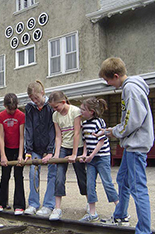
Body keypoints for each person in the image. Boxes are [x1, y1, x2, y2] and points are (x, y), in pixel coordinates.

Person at [99, 57, 154, 234]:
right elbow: (129, 119)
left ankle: (144, 230)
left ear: (115, 75)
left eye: (108, 80)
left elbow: (133, 120)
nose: (109, 84)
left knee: (138, 188)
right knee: (123, 180)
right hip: (132, 145)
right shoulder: (131, 87)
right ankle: (120, 215)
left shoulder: (130, 88)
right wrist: (112, 129)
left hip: (136, 146)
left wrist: (116, 131)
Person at [48, 91, 87, 221]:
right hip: (64, 147)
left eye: (56, 107)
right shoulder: (55, 115)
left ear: (63, 102)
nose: (54, 109)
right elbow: (58, 136)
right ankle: (57, 208)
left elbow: (77, 133)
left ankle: (89, 202)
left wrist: (75, 154)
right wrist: (56, 154)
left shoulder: (75, 111)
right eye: (53, 107)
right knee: (59, 176)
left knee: (81, 176)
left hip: (78, 146)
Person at [78, 97, 119, 222]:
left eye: (83, 109)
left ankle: (120, 210)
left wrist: (91, 155)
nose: (81, 111)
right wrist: (85, 154)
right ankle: (92, 212)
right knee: (90, 184)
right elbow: (85, 142)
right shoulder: (84, 125)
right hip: (91, 159)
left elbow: (101, 142)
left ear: (91, 111)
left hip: (102, 157)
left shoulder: (99, 122)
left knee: (107, 183)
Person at [24, 80, 56, 217]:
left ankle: (49, 205)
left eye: (36, 98)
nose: (35, 101)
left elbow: (52, 129)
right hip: (35, 148)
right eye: (32, 99)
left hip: (50, 148)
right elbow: (29, 129)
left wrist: (50, 151)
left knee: (52, 175)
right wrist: (28, 150)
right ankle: (33, 204)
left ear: (42, 93)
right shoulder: (29, 108)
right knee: (33, 174)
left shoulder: (51, 106)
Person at [0, 93, 26, 215]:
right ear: (4, 106)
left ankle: (19, 204)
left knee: (18, 176)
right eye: (9, 109)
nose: (12, 112)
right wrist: (2, 155)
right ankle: (1, 202)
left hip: (18, 148)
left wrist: (20, 155)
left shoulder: (21, 115)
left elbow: (22, 137)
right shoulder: (1, 116)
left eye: (14, 109)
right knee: (5, 176)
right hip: (6, 149)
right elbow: (1, 137)